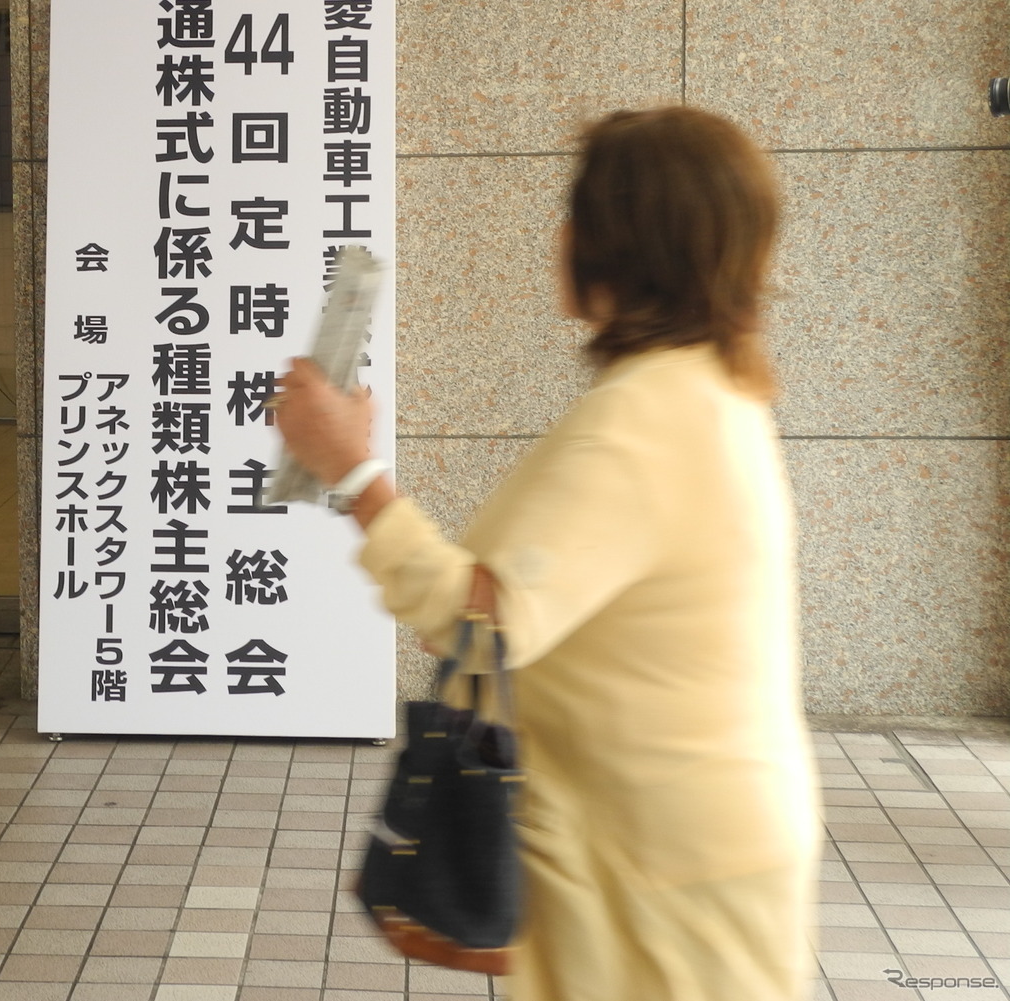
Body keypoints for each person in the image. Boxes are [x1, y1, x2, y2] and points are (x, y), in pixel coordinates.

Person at [273, 107, 819, 1001]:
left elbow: (478, 618)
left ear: (615, 244)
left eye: (575, 214)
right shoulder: (703, 386)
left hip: (661, 865)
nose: (557, 236)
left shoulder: (646, 416)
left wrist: (351, 469)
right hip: (685, 844)